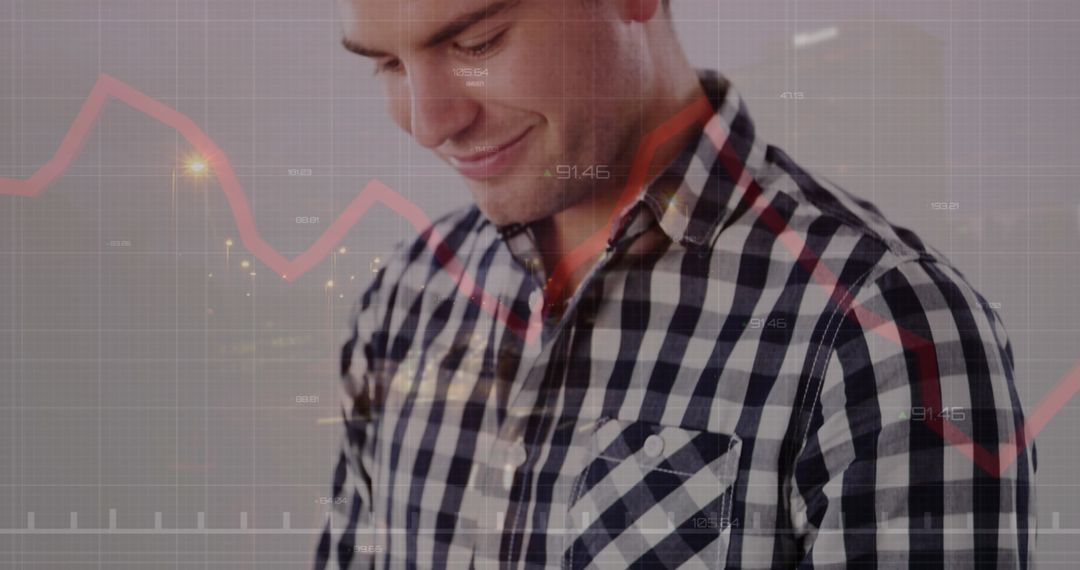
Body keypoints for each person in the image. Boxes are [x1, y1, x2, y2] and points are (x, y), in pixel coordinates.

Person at [316, 0, 1037, 567]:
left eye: (477, 44)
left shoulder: (885, 331)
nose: (429, 121)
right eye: (385, 64)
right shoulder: (408, 296)